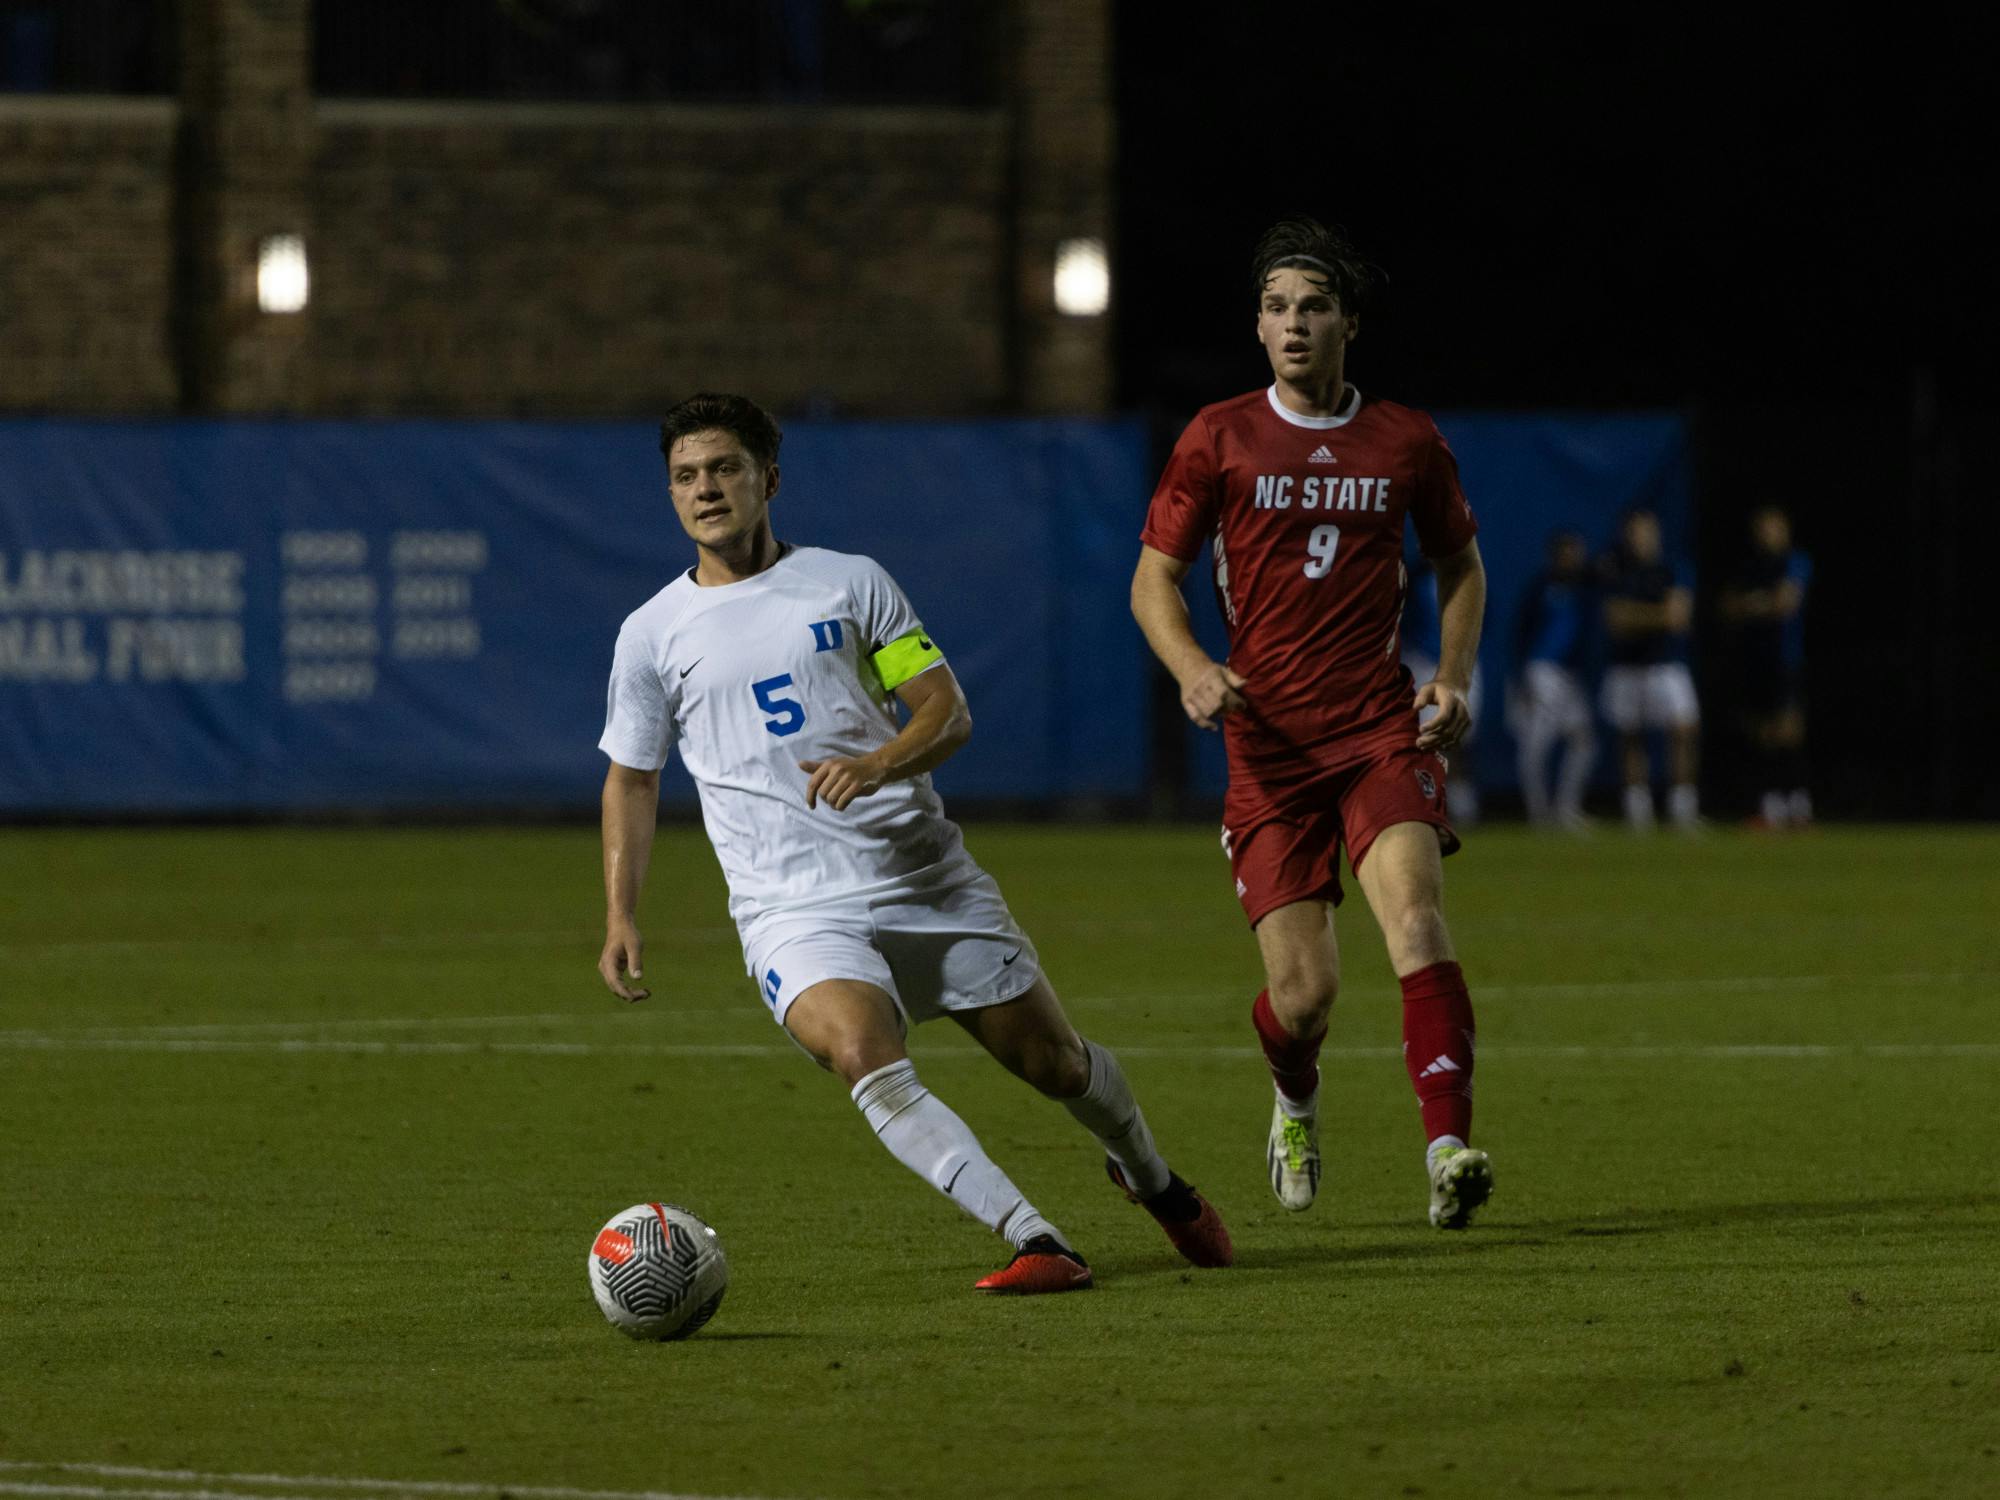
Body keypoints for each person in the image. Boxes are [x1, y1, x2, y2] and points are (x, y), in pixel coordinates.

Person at [597, 392, 1231, 1295]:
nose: (706, 489)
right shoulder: (652, 634)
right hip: (790, 907)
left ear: (769, 478)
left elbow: (946, 710)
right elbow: (632, 777)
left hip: (921, 875)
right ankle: (1036, 1238)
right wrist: (621, 913)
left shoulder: (848, 584)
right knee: (861, 1052)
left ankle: (1153, 1180)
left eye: (725, 468)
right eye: (685, 476)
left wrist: (879, 763)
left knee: (1055, 1064)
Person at [1128, 217, 1494, 1231]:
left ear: (1349, 324)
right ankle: (1294, 1100)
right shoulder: (1219, 435)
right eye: (1276, 307)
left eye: (1314, 307)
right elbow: (1153, 580)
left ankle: (1448, 1151)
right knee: (1303, 1000)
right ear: (1257, 326)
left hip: (1378, 729)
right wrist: (1194, 670)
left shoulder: (1406, 439)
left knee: (1415, 922)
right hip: (1269, 748)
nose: (1293, 323)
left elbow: (1460, 566)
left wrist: (1452, 678)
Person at [1598, 508, 1700, 831]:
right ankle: (1637, 811)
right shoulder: (1615, 570)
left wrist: (1636, 616)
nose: (1641, 538)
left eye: (1647, 531)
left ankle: (1682, 808)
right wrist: (1658, 615)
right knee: (1631, 738)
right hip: (1626, 668)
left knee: (1683, 732)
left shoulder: (1673, 568)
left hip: (1667, 666)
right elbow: (1615, 620)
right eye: (1635, 532)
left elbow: (1678, 618)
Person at [1719, 506, 1812, 827]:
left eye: (1773, 527)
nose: (1768, 533)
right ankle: (1771, 807)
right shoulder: (1750, 568)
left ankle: (1799, 805)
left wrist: (1752, 604)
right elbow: (1728, 607)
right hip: (1754, 660)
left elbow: (1786, 603)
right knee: (1762, 733)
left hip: (1785, 660)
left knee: (1789, 732)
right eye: (1763, 528)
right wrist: (1763, 602)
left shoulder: (1795, 561)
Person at [1509, 529, 1597, 830]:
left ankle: (1565, 808)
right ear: (1555, 556)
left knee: (1584, 742)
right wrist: (1522, 678)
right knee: (1537, 744)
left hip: (1569, 674)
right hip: (1541, 671)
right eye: (1567, 554)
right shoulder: (1540, 588)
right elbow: (1521, 634)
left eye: (1577, 553)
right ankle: (1538, 812)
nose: (1574, 559)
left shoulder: (1584, 589)